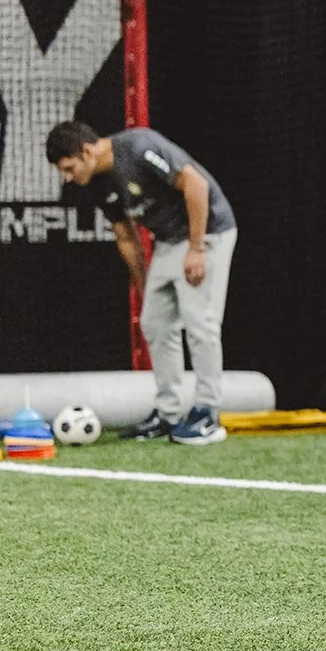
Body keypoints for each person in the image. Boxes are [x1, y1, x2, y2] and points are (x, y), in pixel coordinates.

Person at [46, 121, 238, 445]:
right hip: (168, 241)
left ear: (87, 151)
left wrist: (196, 248)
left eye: (68, 167)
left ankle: (208, 413)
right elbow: (126, 237)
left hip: (208, 230)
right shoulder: (95, 181)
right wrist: (145, 284)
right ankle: (169, 413)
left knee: (199, 321)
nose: (67, 177)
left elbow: (196, 184)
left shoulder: (138, 147)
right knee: (154, 321)